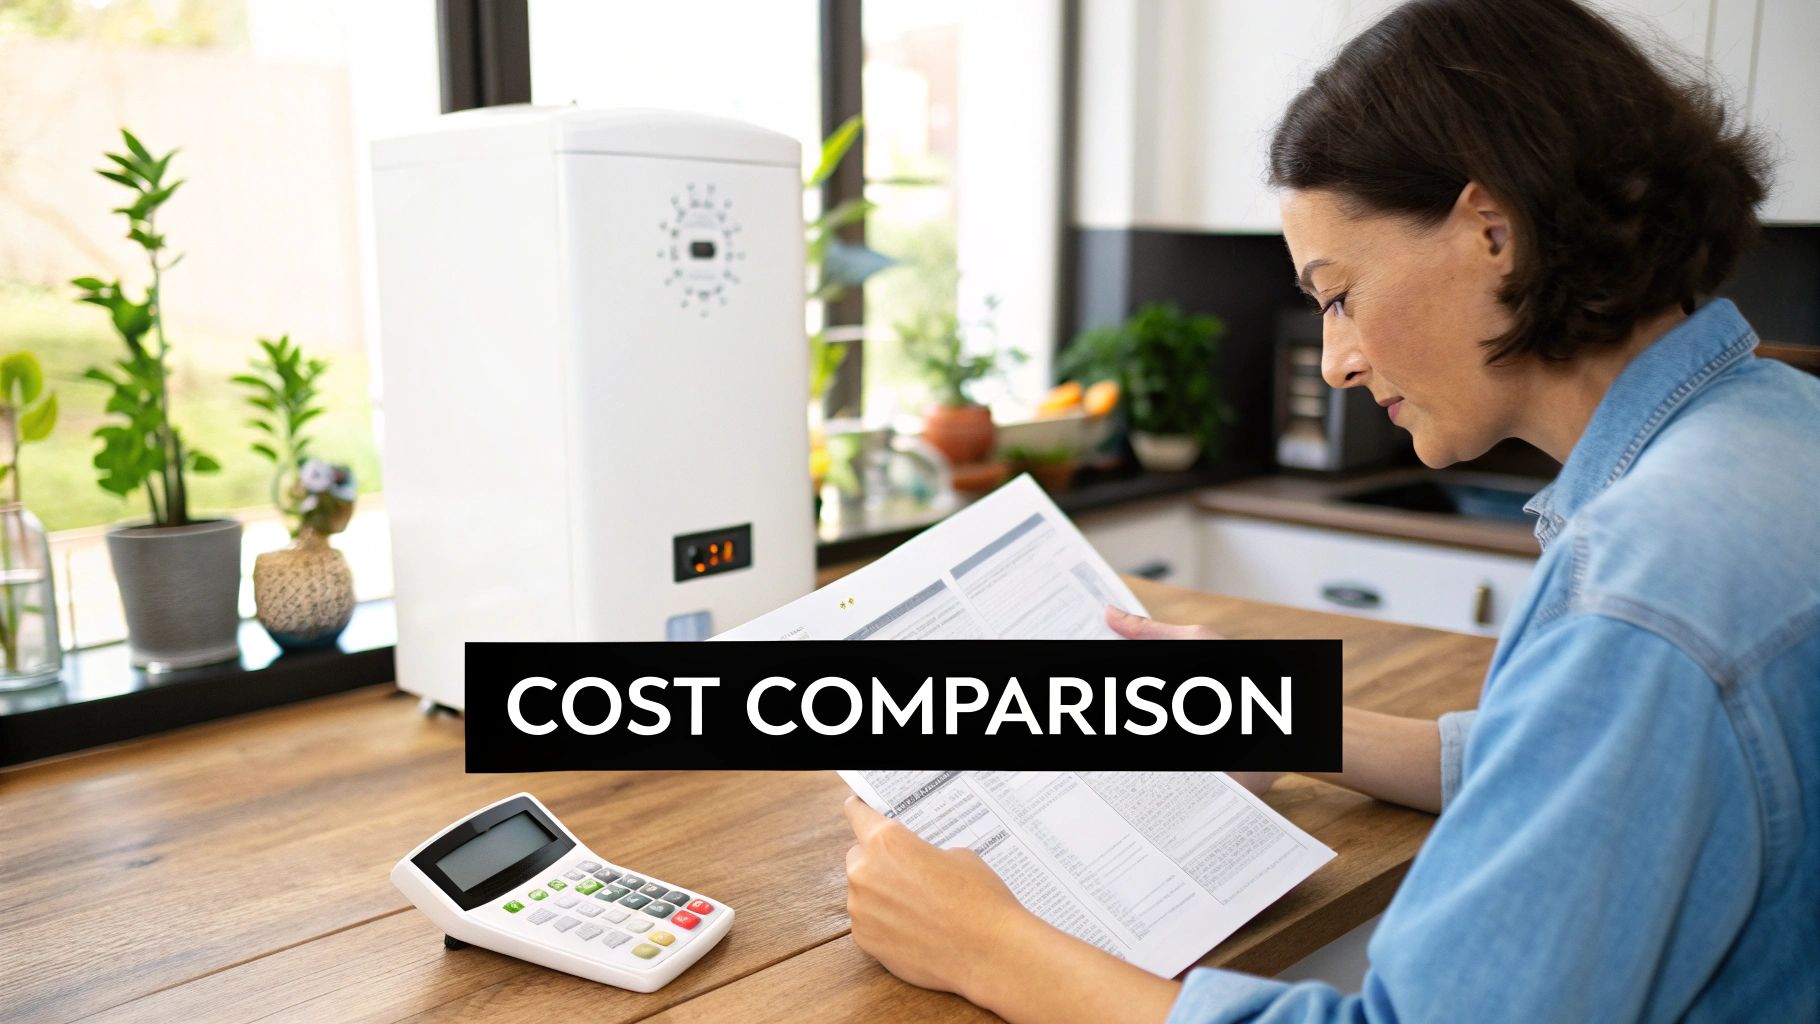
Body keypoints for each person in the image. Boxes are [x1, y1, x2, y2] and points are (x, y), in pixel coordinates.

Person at [839, 0, 1820, 1020]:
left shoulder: (1642, 588)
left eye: (1338, 294)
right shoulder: (1778, 428)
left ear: (1492, 232)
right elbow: (1576, 776)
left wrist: (987, 946)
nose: (1336, 362)